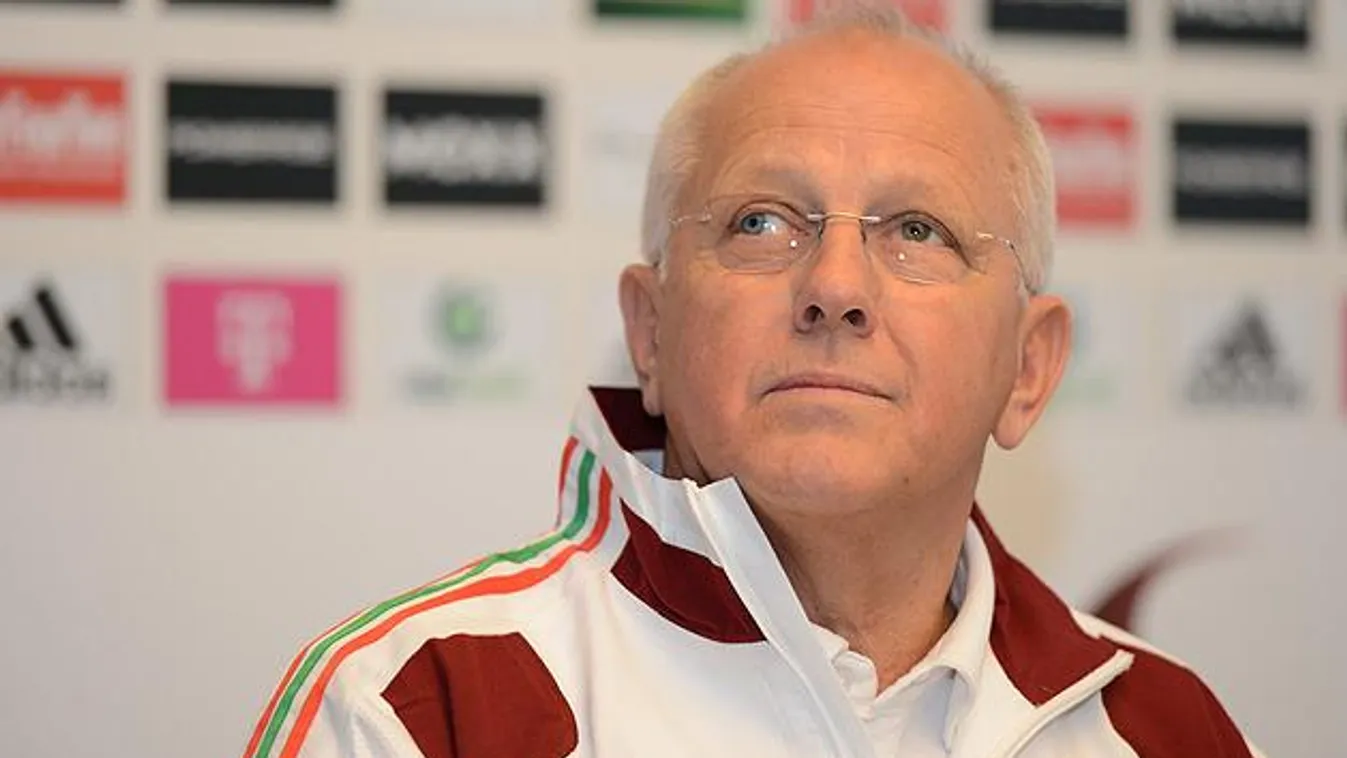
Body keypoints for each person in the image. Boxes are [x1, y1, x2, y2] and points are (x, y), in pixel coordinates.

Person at [240, 5, 1263, 757]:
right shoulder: (420, 711)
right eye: (761, 221)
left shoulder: (1171, 729)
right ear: (650, 331)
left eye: (918, 230)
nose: (835, 288)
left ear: (1028, 368)